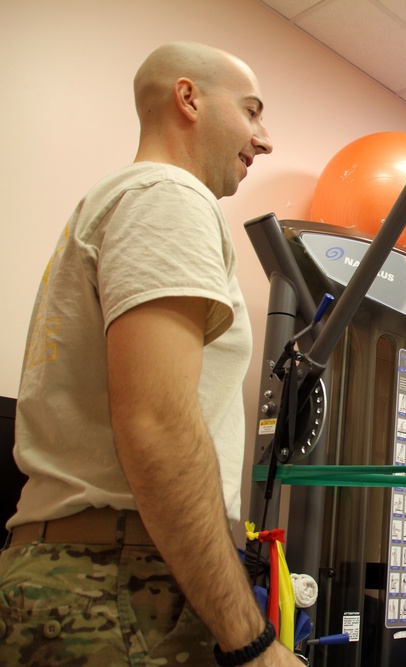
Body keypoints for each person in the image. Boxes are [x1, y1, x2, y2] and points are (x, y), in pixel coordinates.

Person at [0, 42, 301, 666]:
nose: (264, 139)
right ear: (188, 99)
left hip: (81, 575)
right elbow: (158, 425)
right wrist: (251, 643)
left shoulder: (114, 202)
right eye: (251, 112)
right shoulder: (169, 196)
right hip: (116, 587)